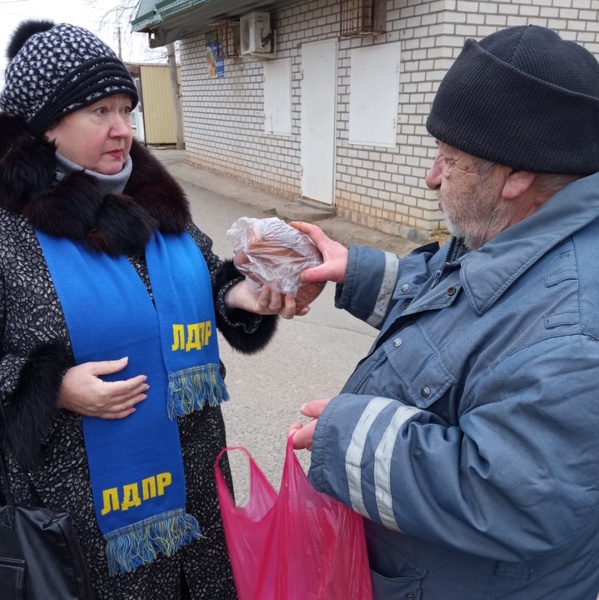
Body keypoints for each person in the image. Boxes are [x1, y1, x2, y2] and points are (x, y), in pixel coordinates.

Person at [289, 24, 599, 600]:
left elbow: (514, 497)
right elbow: (462, 299)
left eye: (448, 159)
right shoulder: (521, 232)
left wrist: (347, 434)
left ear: (517, 176)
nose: (432, 176)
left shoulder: (574, 330)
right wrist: (353, 270)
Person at [0, 20, 304, 600]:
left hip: (195, 491)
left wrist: (240, 295)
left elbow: (204, 278)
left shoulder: (152, 197)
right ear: (44, 127)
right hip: (81, 519)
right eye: (99, 112)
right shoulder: (9, 227)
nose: (123, 130)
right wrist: (51, 387)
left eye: (126, 108)